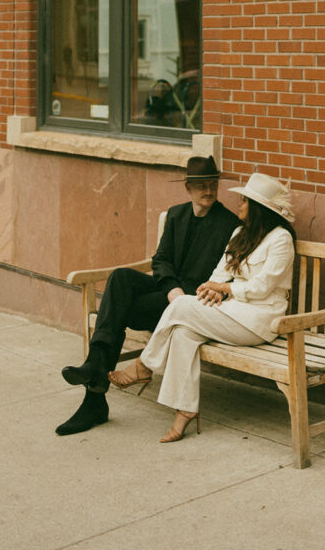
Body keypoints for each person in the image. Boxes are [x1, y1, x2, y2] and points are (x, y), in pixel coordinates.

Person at [56, 155, 238, 436]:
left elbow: (221, 275)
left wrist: (180, 296)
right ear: (187, 188)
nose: (209, 191)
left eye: (213, 185)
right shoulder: (177, 215)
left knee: (115, 311)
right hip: (170, 293)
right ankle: (95, 373)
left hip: (192, 305)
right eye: (201, 186)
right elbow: (161, 260)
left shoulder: (228, 224)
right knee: (120, 277)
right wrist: (171, 289)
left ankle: (94, 392)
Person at [108, 172, 296, 443]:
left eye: (244, 201)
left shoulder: (280, 240)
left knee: (182, 305)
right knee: (184, 332)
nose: (239, 205)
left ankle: (143, 365)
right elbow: (220, 272)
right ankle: (185, 411)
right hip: (232, 313)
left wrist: (226, 290)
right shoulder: (241, 233)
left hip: (260, 320)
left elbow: (262, 287)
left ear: (258, 208)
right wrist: (210, 288)